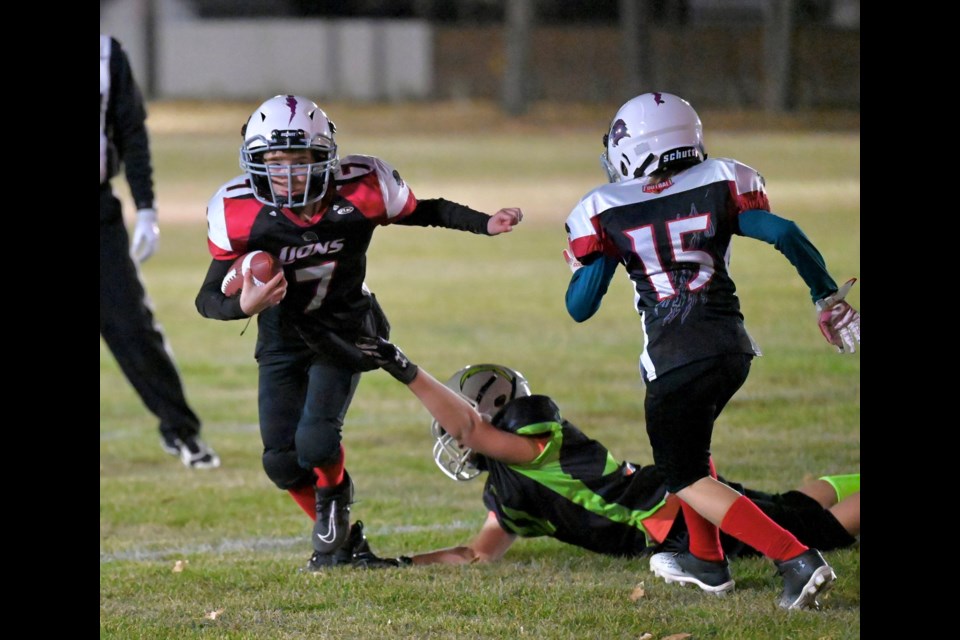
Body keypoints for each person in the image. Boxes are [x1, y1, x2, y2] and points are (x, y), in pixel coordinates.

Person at [194, 95, 523, 571]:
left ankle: (334, 500)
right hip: (283, 335)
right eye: (275, 162)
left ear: (325, 158)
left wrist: (483, 224)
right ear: (254, 164)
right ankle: (343, 545)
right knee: (280, 462)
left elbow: (424, 209)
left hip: (348, 328)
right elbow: (207, 298)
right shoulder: (238, 210)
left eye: (300, 161)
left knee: (316, 443)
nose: (288, 174)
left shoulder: (362, 187)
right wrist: (241, 305)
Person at [561, 92, 860, 609]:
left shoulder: (607, 210)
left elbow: (580, 307)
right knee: (691, 451)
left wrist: (589, 264)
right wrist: (825, 296)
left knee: (682, 473)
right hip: (729, 346)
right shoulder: (720, 180)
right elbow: (784, 231)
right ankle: (707, 560)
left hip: (675, 357)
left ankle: (795, 558)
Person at [342, 359, 858, 591]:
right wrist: (400, 563)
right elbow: (476, 553)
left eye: (455, 429)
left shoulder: (532, 441)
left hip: (673, 516)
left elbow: (474, 432)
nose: (455, 440)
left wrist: (401, 365)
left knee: (819, 532)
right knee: (794, 507)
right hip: (675, 507)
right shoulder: (507, 488)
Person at [99, 34, 220, 470]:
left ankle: (180, 430)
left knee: (131, 325)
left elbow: (131, 131)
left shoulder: (107, 54)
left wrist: (146, 208)